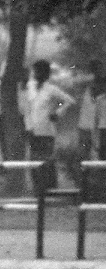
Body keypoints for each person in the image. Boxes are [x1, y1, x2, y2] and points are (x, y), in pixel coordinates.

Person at [27, 59, 75, 194]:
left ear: (46, 74)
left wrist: (58, 112)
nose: (36, 74)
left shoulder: (51, 89)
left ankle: (51, 190)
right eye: (35, 71)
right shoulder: (30, 86)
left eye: (40, 72)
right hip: (33, 130)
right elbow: (28, 108)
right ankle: (38, 190)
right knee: (34, 161)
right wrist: (28, 126)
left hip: (47, 130)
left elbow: (68, 101)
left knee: (47, 160)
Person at [77, 60, 102, 160]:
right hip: (85, 126)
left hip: (96, 127)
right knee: (84, 155)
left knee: (97, 153)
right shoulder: (88, 86)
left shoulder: (97, 87)